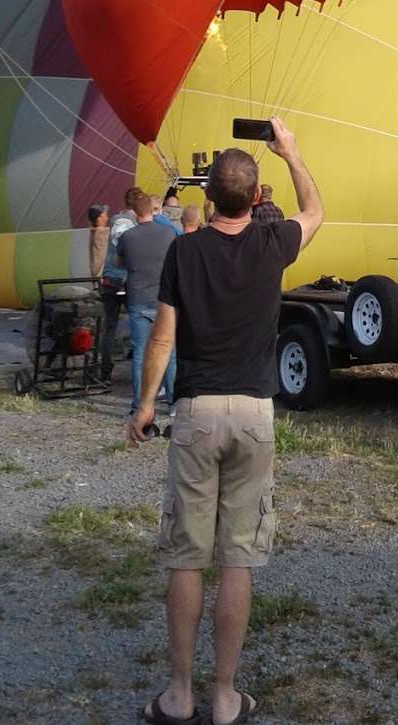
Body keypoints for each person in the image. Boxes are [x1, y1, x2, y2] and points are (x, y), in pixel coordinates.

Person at [128, 117, 323, 725]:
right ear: (258, 198)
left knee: (188, 556)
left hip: (196, 412)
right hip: (254, 413)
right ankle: (224, 698)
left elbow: (161, 337)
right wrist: (290, 153)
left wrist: (143, 405)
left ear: (208, 196)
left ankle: (180, 694)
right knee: (238, 557)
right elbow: (316, 209)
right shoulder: (273, 245)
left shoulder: (183, 250)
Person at [117, 192, 177, 414]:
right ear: (153, 210)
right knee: (169, 351)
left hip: (137, 298)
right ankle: (173, 403)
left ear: (134, 212)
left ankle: (140, 404)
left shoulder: (127, 237)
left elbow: (120, 262)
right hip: (164, 300)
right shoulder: (168, 233)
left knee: (141, 352)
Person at [98, 187, 142, 383]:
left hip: (110, 280)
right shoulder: (131, 225)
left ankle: (105, 372)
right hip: (126, 280)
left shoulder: (115, 220)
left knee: (110, 328)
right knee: (138, 325)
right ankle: (138, 373)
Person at [88, 204, 109, 280]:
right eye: (105, 215)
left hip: (98, 277)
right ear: (99, 218)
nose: (107, 217)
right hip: (101, 278)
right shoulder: (100, 233)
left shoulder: (95, 232)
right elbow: (101, 258)